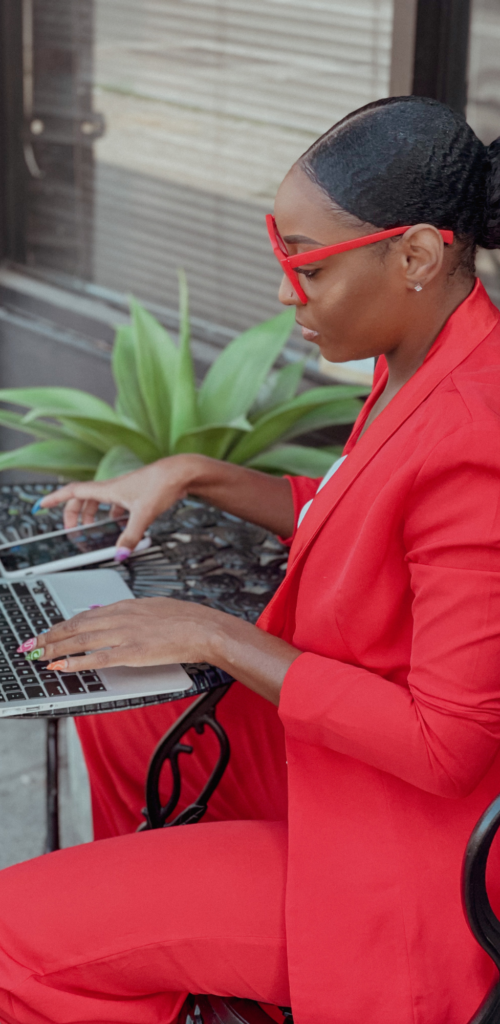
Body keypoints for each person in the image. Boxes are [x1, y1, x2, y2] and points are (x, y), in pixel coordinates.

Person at [0, 94, 500, 1024]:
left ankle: (142, 941)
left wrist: (217, 635)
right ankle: (158, 944)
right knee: (117, 704)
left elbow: (447, 747)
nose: (282, 293)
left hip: (403, 855)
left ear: (418, 256)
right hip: (340, 771)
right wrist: (195, 472)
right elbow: (356, 510)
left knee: (10, 942)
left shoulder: (481, 436)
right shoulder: (424, 349)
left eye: (305, 266)